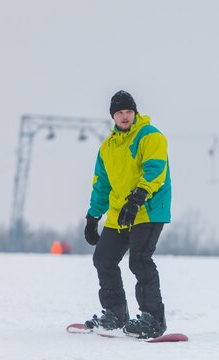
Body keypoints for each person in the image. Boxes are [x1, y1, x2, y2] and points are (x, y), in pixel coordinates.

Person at [83, 90, 172, 339]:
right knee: (103, 258)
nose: (125, 116)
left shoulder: (150, 136)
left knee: (140, 260)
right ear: (113, 116)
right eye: (120, 112)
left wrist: (137, 198)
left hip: (147, 210)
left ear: (135, 113)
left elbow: (155, 170)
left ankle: (152, 318)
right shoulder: (107, 147)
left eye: (128, 112)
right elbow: (101, 185)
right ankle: (115, 314)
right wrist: (93, 217)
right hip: (119, 213)